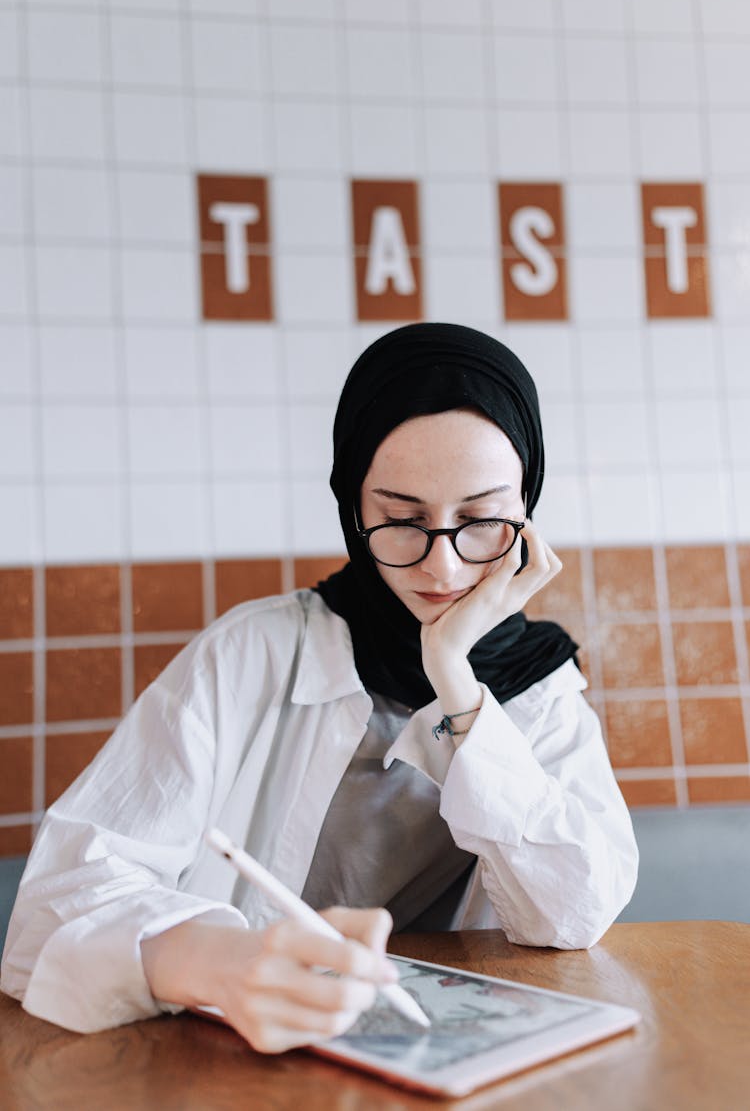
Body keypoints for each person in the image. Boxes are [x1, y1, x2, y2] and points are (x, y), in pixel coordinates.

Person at [1, 323, 638, 1054]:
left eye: (481, 519)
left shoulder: (538, 688)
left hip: (437, 1059)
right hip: (237, 1061)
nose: (444, 568)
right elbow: (48, 913)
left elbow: (573, 911)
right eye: (401, 519)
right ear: (351, 506)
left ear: (527, 511)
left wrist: (457, 681)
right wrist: (214, 961)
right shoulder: (252, 652)